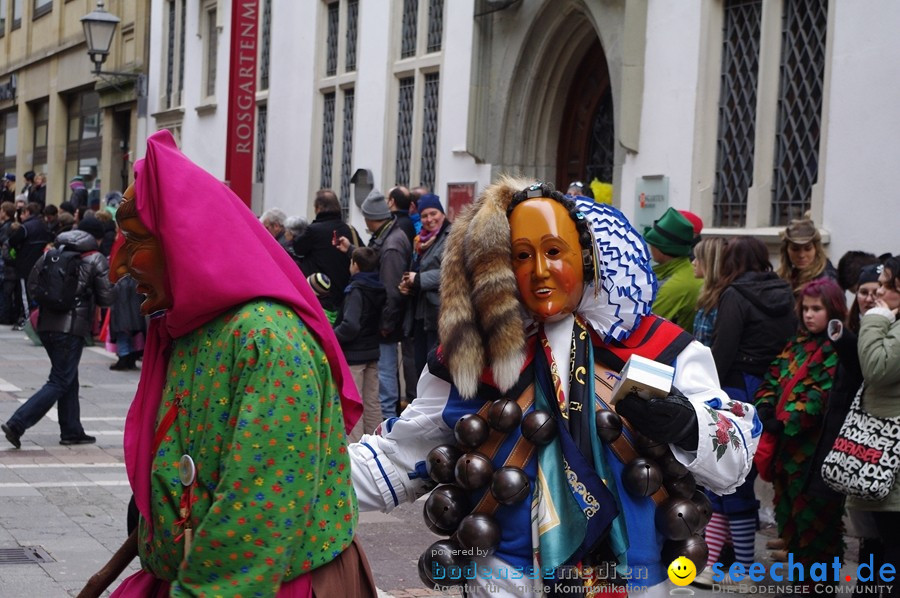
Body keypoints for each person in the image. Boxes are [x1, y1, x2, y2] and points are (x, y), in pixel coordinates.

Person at [349, 178, 758, 597]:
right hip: (507, 580)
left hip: (638, 582)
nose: (539, 270)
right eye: (522, 256)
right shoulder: (479, 357)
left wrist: (690, 426)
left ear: (589, 256)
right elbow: (401, 456)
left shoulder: (661, 349)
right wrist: (306, 472)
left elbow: (735, 459)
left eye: (554, 251)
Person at [102, 130, 373, 597]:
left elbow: (258, 512)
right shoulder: (193, 328)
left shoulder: (267, 342)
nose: (118, 268)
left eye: (134, 240)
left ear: (181, 240)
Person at [693, 237, 796, 589]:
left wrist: (710, 391)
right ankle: (712, 565)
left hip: (736, 390)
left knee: (726, 478)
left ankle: (744, 571)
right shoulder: (785, 293)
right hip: (772, 391)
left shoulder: (734, 294)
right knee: (737, 479)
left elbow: (723, 349)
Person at [753, 278, 847, 592]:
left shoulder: (839, 348)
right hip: (786, 455)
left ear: (832, 309)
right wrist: (765, 408)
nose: (809, 315)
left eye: (816, 309)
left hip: (815, 456)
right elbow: (772, 378)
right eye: (805, 309)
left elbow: (821, 398)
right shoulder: (796, 343)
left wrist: (788, 421)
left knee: (817, 530)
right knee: (789, 522)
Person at [1, 223, 115, 448]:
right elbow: (107, 298)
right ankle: (18, 422)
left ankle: (72, 430)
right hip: (71, 328)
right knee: (60, 379)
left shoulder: (50, 255)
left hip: (45, 326)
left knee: (67, 377)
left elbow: (33, 286)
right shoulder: (95, 259)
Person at [844, 256, 900, 598]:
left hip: (892, 449)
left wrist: (875, 321)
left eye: (887, 284)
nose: (878, 292)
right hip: (887, 449)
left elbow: (876, 368)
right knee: (883, 543)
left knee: (893, 547)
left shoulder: (887, 323)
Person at [334, 247, 385, 438]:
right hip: (372, 351)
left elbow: (350, 325)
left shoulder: (356, 289)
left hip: (354, 355)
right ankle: (376, 442)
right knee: (372, 401)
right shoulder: (379, 287)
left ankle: (355, 449)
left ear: (355, 265)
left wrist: (333, 336)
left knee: (354, 402)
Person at [399, 193, 451, 375]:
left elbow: (450, 271)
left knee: (435, 368)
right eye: (424, 216)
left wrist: (419, 279)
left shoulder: (450, 236)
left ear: (442, 213)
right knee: (421, 365)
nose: (429, 219)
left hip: (439, 313)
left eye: (433, 213)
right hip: (421, 313)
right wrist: (408, 284)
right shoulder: (421, 241)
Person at [293, 189, 360, 315]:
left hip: (320, 293)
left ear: (318, 208)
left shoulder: (313, 231)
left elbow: (298, 248)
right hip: (344, 293)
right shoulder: (349, 230)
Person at [643, 207, 703, 333]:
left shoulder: (673, 287)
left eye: (651, 243)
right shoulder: (687, 271)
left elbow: (644, 328)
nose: (650, 247)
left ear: (662, 249)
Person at [7, 201, 53, 329]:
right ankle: (38, 317)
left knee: (25, 293)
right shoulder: (45, 226)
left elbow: (13, 241)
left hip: (25, 263)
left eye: (23, 213)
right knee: (38, 291)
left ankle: (29, 320)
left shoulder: (25, 227)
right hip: (42, 264)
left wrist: (17, 249)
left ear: (28, 212)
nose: (21, 216)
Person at [776, 214, 837, 294]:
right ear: (786, 250)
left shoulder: (827, 280)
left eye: (808, 249)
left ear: (816, 249)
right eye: (795, 249)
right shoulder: (785, 276)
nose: (801, 255)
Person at [691, 237, 727, 347]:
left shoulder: (719, 300)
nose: (693, 263)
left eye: (698, 258)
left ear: (709, 262)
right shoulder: (709, 294)